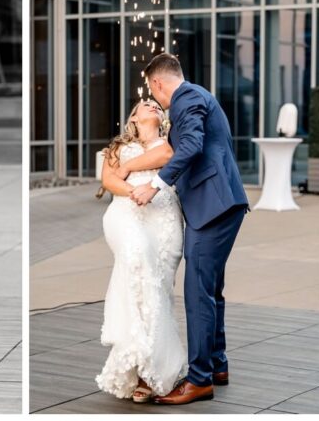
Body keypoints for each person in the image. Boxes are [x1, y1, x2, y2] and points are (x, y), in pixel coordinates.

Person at [131, 53, 249, 405]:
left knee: (198, 292)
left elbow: (193, 146)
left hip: (213, 207)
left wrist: (156, 185)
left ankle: (199, 380)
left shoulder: (188, 98)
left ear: (157, 83)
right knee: (211, 289)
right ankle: (216, 364)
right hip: (219, 204)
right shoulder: (192, 98)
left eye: (153, 92)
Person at [95, 100, 187, 403]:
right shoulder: (117, 146)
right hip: (128, 214)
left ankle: (149, 364)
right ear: (133, 117)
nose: (152, 106)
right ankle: (146, 370)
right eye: (144, 104)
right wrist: (134, 191)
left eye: (155, 105)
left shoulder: (168, 142)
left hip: (164, 221)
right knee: (137, 270)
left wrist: (128, 168)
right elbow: (108, 181)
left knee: (158, 289)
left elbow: (167, 155)